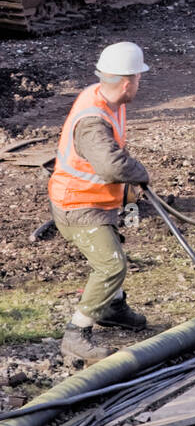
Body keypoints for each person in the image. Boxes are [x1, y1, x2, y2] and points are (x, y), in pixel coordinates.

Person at [48, 42, 151, 362]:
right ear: (125, 82)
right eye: (137, 78)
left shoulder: (107, 97)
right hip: (79, 203)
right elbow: (111, 166)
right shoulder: (93, 120)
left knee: (113, 248)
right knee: (111, 265)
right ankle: (76, 334)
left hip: (95, 199)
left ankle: (112, 307)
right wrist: (140, 173)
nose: (139, 83)